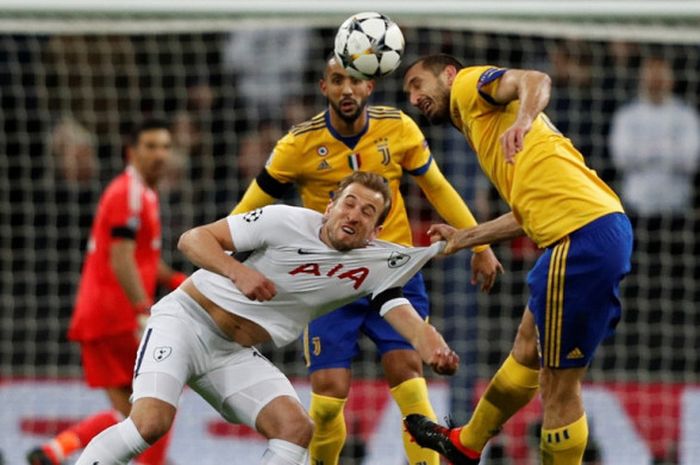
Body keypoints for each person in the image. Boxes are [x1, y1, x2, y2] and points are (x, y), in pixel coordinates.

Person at [71, 171, 460, 465]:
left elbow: (400, 310)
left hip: (232, 353)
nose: (354, 214)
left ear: (375, 231)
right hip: (185, 322)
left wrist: (431, 346)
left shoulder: (372, 265)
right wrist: (238, 271)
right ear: (330, 206)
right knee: (149, 425)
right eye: (349, 203)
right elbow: (192, 239)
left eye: (367, 212)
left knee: (295, 429)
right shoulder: (283, 220)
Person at [232, 54, 502, 465]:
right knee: (326, 396)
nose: (347, 89)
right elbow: (247, 213)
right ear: (324, 88)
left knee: (409, 375)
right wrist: (224, 265)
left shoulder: (398, 128)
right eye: (337, 80)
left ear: (369, 87)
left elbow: (439, 188)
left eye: (355, 81)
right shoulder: (296, 145)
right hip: (328, 278)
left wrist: (479, 245)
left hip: (392, 273)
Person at [401, 54, 633, 465]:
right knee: (527, 349)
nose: (414, 97)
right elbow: (527, 216)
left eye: (418, 84)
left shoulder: (472, 87)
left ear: (449, 75)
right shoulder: (483, 129)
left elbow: (536, 79)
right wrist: (468, 238)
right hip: (576, 233)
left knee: (558, 385)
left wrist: (523, 120)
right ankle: (465, 443)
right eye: (408, 93)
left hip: (582, 237)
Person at [27, 120, 187, 465]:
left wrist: (180, 282)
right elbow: (121, 257)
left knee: (134, 415)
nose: (160, 154)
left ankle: (56, 450)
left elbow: (145, 260)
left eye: (165, 146)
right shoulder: (126, 192)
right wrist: (143, 310)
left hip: (102, 318)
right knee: (163, 396)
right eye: (151, 146)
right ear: (132, 152)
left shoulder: (142, 192)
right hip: (118, 317)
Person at [609, 55, 700, 216]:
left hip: (677, 208)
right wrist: (669, 148)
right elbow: (621, 159)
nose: (655, 80)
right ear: (641, 78)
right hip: (636, 206)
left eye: (661, 74)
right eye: (651, 74)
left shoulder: (687, 115)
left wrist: (645, 150)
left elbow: (691, 160)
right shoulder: (627, 115)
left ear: (672, 79)